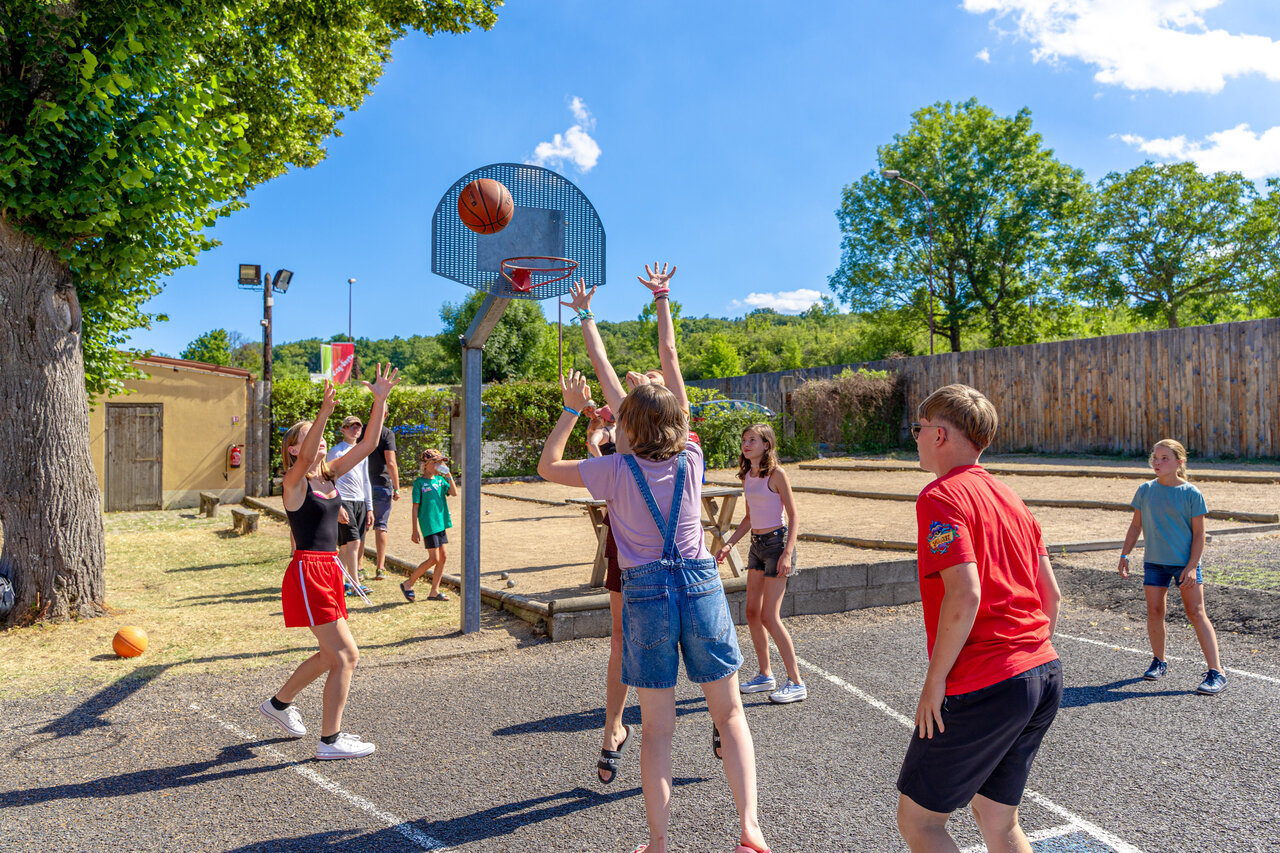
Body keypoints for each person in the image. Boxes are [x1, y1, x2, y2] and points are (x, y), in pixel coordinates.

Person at [540, 265, 770, 853]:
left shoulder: (613, 468)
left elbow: (548, 465)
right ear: (679, 422)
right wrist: (662, 299)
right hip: (700, 585)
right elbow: (669, 357)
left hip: (645, 592)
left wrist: (573, 403)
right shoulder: (692, 457)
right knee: (730, 716)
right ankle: (749, 829)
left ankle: (660, 842)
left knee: (657, 733)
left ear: (623, 425)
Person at [896, 383, 1062, 853]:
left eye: (918, 429)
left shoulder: (940, 496)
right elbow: (1050, 595)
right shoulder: (1012, 498)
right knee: (998, 819)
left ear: (940, 435)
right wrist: (1024, 653)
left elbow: (965, 593)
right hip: (1042, 671)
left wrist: (934, 682)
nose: (916, 438)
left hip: (987, 680)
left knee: (920, 822)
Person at [559, 269, 703, 789]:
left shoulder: (678, 428)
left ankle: (718, 714)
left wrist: (663, 298)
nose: (645, 375)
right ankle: (613, 726)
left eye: (652, 378)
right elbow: (602, 364)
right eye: (640, 377)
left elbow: (670, 354)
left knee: (693, 634)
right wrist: (584, 314)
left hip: (672, 552)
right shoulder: (629, 423)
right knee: (623, 637)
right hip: (633, 546)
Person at [258, 364, 400, 761]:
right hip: (308, 571)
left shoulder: (330, 475)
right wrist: (324, 411)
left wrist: (379, 400)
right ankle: (330, 740)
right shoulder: (294, 481)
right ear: (292, 449)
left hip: (329, 569)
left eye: (318, 436)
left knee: (329, 655)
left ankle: (279, 705)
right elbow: (307, 456)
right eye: (308, 438)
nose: (318, 441)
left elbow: (369, 444)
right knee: (346, 656)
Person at [1117, 439, 1225, 695]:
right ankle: (1159, 661)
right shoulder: (1145, 490)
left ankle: (1217, 672)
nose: (1157, 462)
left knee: (1196, 613)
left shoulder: (1191, 493)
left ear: (1179, 462)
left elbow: (1199, 534)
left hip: (1185, 565)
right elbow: (1136, 526)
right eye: (1155, 457)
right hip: (1154, 563)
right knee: (1155, 612)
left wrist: (1192, 566)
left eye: (1164, 458)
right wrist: (1125, 554)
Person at [717, 423, 805, 704]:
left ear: (767, 444)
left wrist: (787, 553)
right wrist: (730, 543)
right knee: (752, 612)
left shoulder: (777, 474)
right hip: (757, 546)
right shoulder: (748, 475)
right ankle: (766, 675)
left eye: (752, 440)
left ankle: (796, 682)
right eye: (744, 440)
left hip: (777, 545)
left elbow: (793, 516)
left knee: (769, 616)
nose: (746, 444)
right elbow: (749, 517)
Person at [401, 449, 457, 603]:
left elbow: (454, 492)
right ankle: (408, 583)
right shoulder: (419, 483)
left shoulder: (440, 481)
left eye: (440, 462)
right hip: (429, 524)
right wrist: (414, 530)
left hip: (440, 523)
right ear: (425, 465)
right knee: (434, 558)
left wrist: (448, 475)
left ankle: (434, 591)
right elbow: (415, 507)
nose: (439, 465)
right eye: (435, 462)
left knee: (443, 557)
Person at [327, 415, 374, 590]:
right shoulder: (336, 451)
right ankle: (355, 584)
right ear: (343, 430)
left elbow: (366, 480)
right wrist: (337, 504)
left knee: (347, 545)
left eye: (358, 427)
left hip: (359, 500)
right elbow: (329, 479)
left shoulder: (362, 452)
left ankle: (339, 582)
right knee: (353, 542)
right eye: (351, 426)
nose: (355, 430)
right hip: (344, 500)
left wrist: (369, 508)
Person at [361, 417, 401, 581]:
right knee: (381, 526)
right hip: (381, 484)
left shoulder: (361, 431)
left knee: (362, 526)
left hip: (362, 484)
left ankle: (359, 567)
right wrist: (396, 487)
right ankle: (380, 568)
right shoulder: (386, 433)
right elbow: (391, 462)